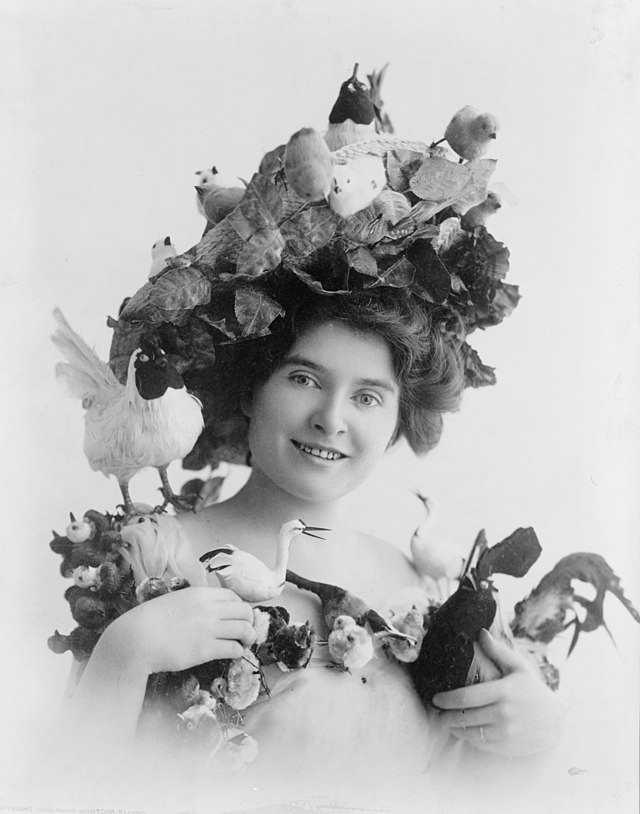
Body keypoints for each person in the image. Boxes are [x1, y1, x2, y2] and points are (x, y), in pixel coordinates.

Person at [60, 285, 563, 808]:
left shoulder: (421, 587)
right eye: (304, 378)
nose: (331, 417)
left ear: (395, 422)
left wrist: (534, 740)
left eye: (367, 397)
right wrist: (123, 654)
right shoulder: (153, 559)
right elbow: (68, 786)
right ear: (252, 390)